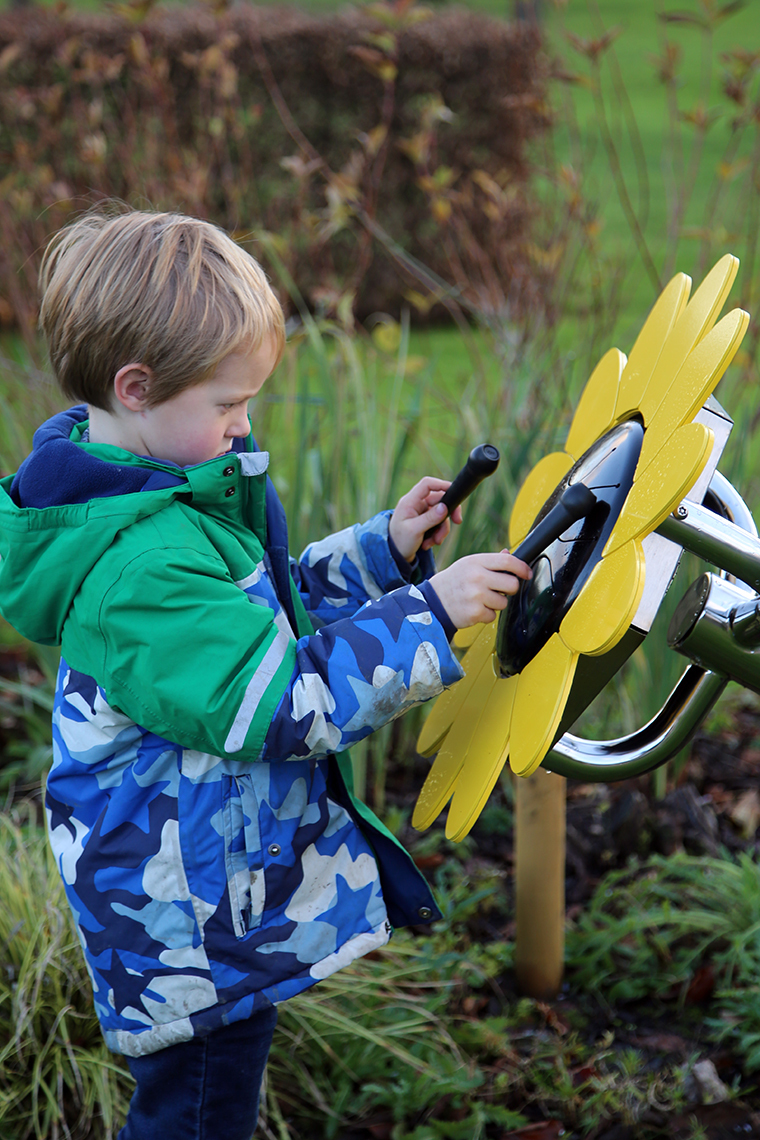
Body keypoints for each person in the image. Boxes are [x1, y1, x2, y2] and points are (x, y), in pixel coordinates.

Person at [0, 208, 531, 1140]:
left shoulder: (166, 503)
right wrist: (433, 613)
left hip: (208, 896)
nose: (245, 423)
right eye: (230, 403)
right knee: (198, 1117)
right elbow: (285, 702)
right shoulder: (141, 568)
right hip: (185, 926)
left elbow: (260, 621)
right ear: (138, 387)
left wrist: (382, 554)